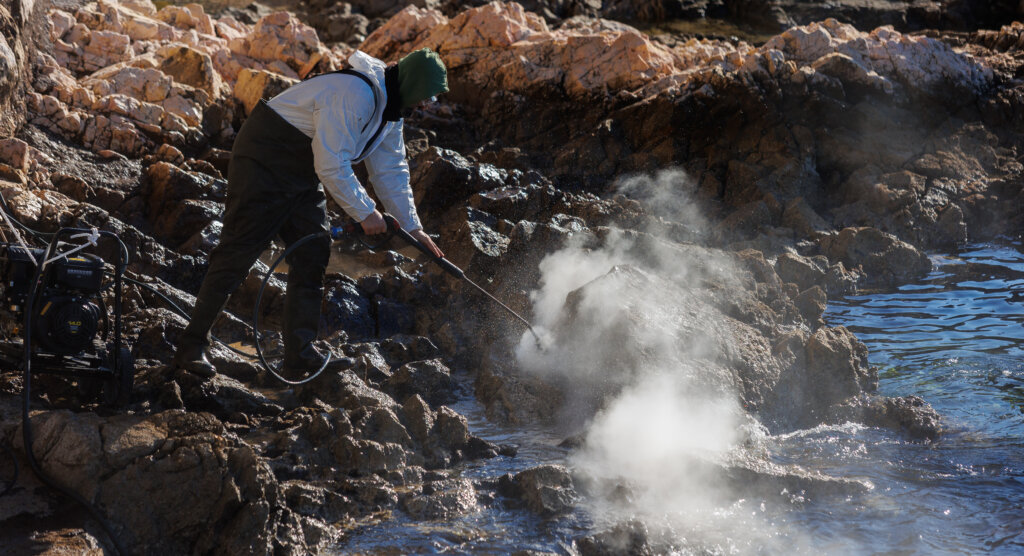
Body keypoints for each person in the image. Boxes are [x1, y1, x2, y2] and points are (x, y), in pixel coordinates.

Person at [172, 48, 447, 378]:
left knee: (313, 251)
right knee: (238, 250)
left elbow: (390, 170)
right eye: (427, 97)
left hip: (302, 170)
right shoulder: (355, 94)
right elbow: (331, 163)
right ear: (414, 85)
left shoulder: (391, 110)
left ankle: (299, 355)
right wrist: (366, 213)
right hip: (265, 156)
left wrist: (414, 229)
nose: (427, 106)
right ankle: (191, 345)